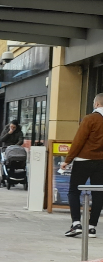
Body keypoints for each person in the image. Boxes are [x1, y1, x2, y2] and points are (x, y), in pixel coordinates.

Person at [61, 93, 103, 238]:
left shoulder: (90, 119)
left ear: (97, 104)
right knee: (98, 193)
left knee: (74, 191)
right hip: (101, 162)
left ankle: (76, 224)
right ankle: (92, 227)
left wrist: (68, 160)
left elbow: (79, 140)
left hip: (83, 160)